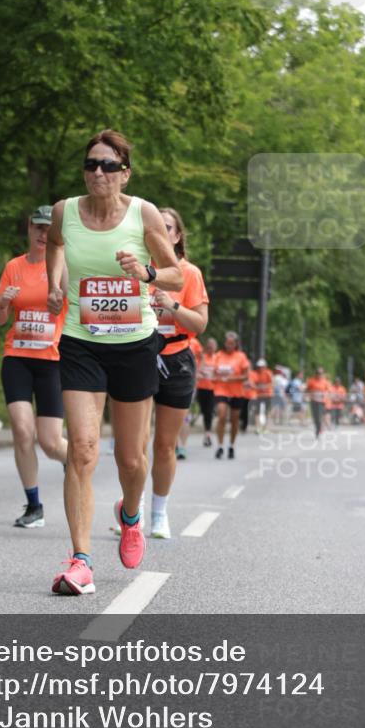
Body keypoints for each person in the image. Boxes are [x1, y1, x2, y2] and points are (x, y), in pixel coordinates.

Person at [46, 130, 182, 595]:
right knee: (82, 449)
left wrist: (144, 272)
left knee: (130, 457)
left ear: (125, 172)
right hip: (81, 340)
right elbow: (55, 245)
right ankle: (80, 560)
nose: (97, 173)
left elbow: (176, 276)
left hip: (134, 343)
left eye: (107, 165)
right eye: (90, 165)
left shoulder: (142, 213)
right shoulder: (66, 211)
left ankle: (130, 513)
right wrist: (54, 283)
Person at [0, 206, 68, 528]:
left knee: (50, 443)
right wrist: (3, 303)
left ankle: (77, 462)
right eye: (38, 228)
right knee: (22, 430)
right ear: (29, 229)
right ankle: (34, 506)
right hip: (17, 358)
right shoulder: (14, 267)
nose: (42, 234)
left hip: (52, 362)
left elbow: (77, 308)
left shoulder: (64, 266)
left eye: (49, 229)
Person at [148, 207, 208, 535]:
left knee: (164, 444)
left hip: (177, 359)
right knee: (133, 440)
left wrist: (170, 304)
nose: (161, 231)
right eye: (154, 226)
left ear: (177, 235)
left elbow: (199, 323)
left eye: (167, 226)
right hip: (139, 356)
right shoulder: (138, 268)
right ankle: (129, 508)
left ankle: (159, 511)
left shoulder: (190, 274)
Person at [213, 332, 250, 458]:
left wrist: (232, 378)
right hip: (221, 390)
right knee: (222, 415)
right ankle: (220, 446)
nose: (229, 345)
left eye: (232, 343)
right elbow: (213, 372)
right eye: (227, 343)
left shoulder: (241, 356)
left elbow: (246, 376)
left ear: (236, 344)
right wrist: (215, 376)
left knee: (234, 420)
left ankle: (231, 445)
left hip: (236, 392)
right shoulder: (218, 355)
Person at [195, 337, 218, 446]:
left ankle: (207, 434)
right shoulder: (202, 358)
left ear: (215, 348)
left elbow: (220, 373)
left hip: (213, 389)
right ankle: (207, 432)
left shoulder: (217, 358)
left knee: (209, 411)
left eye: (212, 346)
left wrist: (214, 375)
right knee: (204, 411)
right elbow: (197, 371)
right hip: (202, 388)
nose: (210, 348)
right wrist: (201, 373)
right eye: (209, 346)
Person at [306, 367, 331, 440]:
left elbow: (329, 391)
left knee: (320, 417)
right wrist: (308, 395)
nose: (319, 374)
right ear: (315, 373)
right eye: (318, 373)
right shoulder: (311, 380)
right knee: (315, 417)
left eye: (321, 373)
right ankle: (317, 429)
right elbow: (307, 389)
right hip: (313, 401)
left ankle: (319, 431)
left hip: (321, 402)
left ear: (323, 374)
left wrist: (325, 395)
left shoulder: (325, 382)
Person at [252, 359, 273, 434]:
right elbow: (253, 383)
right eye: (259, 366)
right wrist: (257, 387)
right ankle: (258, 427)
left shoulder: (268, 373)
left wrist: (265, 387)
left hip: (267, 394)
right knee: (256, 411)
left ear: (265, 366)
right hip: (258, 395)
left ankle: (266, 428)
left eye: (262, 366)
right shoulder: (255, 373)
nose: (260, 368)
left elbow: (272, 383)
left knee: (267, 411)